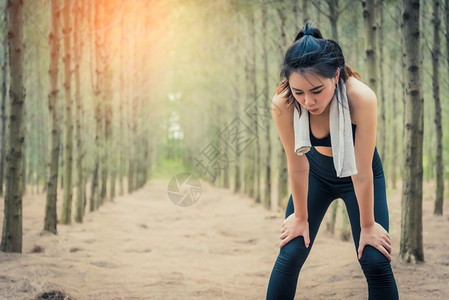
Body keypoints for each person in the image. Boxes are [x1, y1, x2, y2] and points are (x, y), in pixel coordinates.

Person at [266, 22, 399, 300]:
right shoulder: (283, 103)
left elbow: (361, 172)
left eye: (316, 90)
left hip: (360, 176)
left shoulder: (360, 98)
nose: (308, 101)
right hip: (315, 174)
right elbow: (297, 163)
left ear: (336, 75)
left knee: (374, 259)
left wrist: (367, 226)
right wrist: (300, 218)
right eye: (299, 91)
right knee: (291, 251)